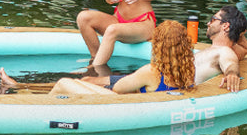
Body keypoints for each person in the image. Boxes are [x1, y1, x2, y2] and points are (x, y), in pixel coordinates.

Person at [51, 21, 198, 95]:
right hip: (144, 94)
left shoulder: (152, 71)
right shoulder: (188, 68)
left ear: (159, 45)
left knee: (64, 83)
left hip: (119, 104)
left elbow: (118, 89)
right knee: (86, 81)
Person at [195, 5, 247, 92]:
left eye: (213, 19)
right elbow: (245, 49)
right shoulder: (214, 50)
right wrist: (238, 29)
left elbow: (231, 64)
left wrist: (232, 74)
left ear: (225, 26)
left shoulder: (224, 51)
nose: (208, 23)